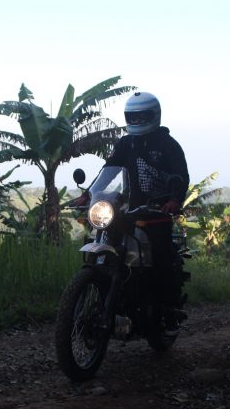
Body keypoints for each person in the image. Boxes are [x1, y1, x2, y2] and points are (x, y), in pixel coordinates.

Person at [78, 91, 190, 334]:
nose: (137, 121)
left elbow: (181, 175)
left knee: (160, 257)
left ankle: (169, 311)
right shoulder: (126, 144)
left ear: (154, 115)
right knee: (109, 240)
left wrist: (174, 199)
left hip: (156, 212)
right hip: (128, 208)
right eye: (133, 117)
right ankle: (107, 299)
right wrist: (88, 194)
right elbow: (109, 169)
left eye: (142, 117)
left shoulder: (168, 145)